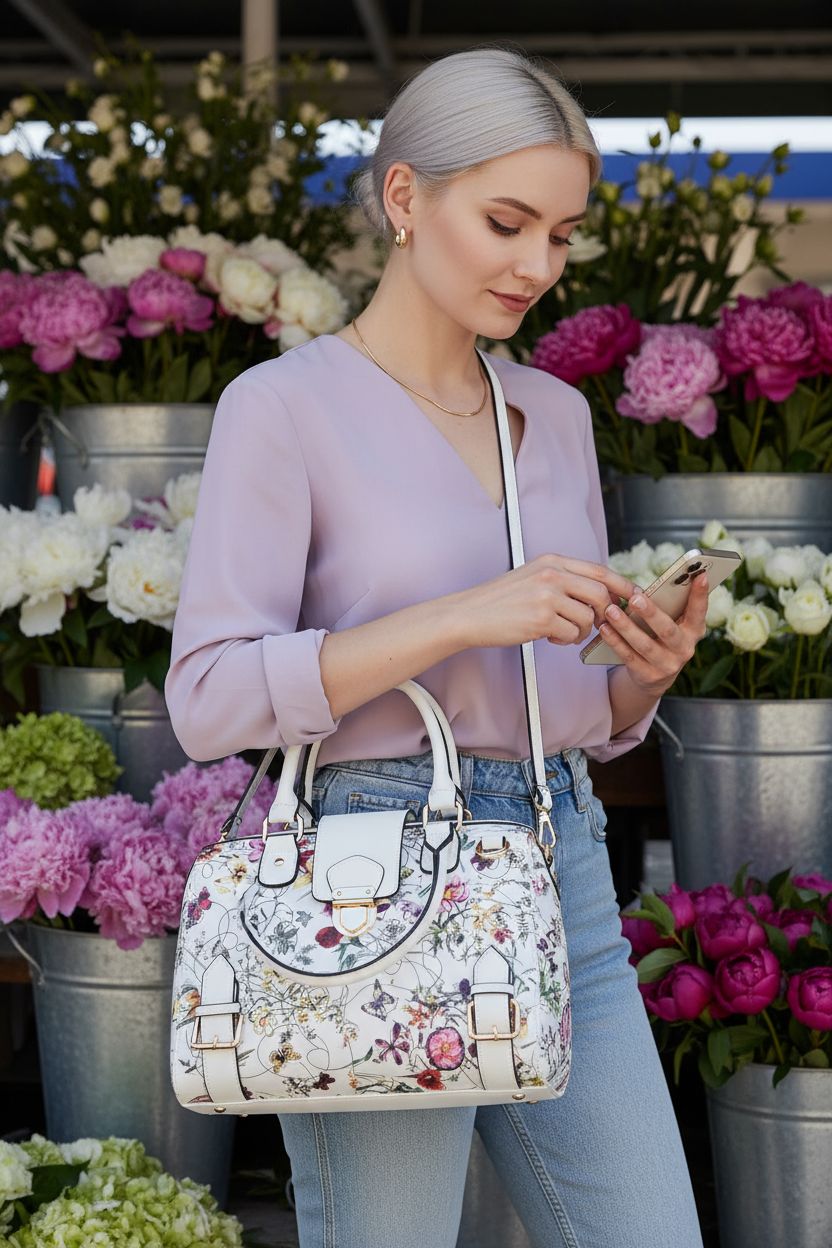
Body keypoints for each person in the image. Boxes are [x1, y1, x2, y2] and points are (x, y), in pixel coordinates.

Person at [165, 44, 708, 1248]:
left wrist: (641, 677)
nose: (536, 265)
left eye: (560, 235)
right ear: (404, 197)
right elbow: (205, 698)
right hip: (366, 876)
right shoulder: (283, 407)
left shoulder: (553, 415)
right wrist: (463, 613)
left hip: (562, 863)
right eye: (506, 223)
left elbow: (564, 702)